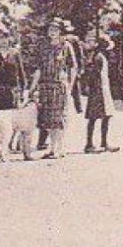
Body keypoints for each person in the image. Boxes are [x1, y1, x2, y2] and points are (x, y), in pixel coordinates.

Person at [34, 17, 83, 159]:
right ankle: (52, 148)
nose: (52, 32)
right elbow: (38, 68)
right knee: (48, 119)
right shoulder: (43, 46)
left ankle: (59, 148)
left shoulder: (66, 46)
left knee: (59, 119)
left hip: (59, 86)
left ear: (60, 32)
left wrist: (70, 86)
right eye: (50, 29)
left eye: (55, 29)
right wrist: (33, 88)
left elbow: (73, 67)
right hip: (45, 85)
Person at [82, 34, 119, 154]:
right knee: (97, 117)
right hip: (99, 90)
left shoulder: (98, 56)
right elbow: (94, 75)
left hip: (101, 89)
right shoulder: (98, 57)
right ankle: (91, 144)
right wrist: (97, 90)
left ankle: (100, 143)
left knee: (102, 117)